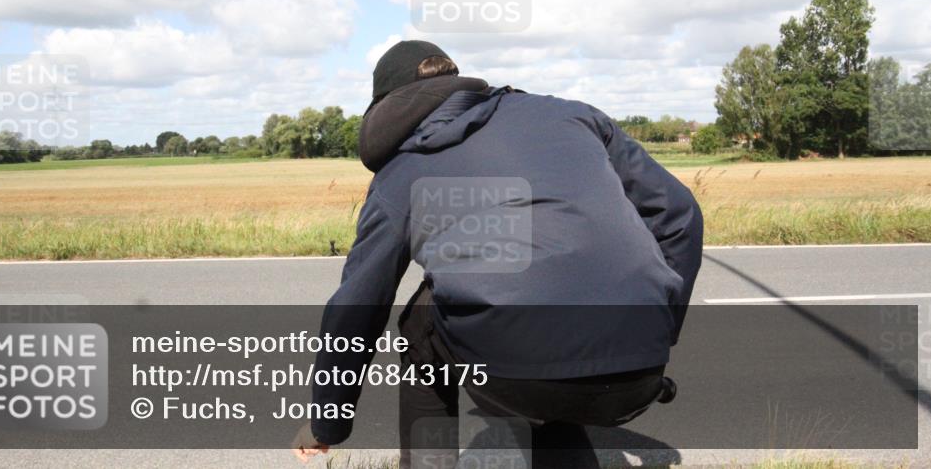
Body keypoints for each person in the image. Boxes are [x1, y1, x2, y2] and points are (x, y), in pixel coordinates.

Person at [293, 40, 703, 467]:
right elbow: (680, 215)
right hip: (642, 367)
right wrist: (660, 326)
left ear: (385, 106)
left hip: (524, 373)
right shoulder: (572, 115)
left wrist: (327, 423)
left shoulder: (402, 171)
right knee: (541, 337)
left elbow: (358, 305)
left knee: (426, 322)